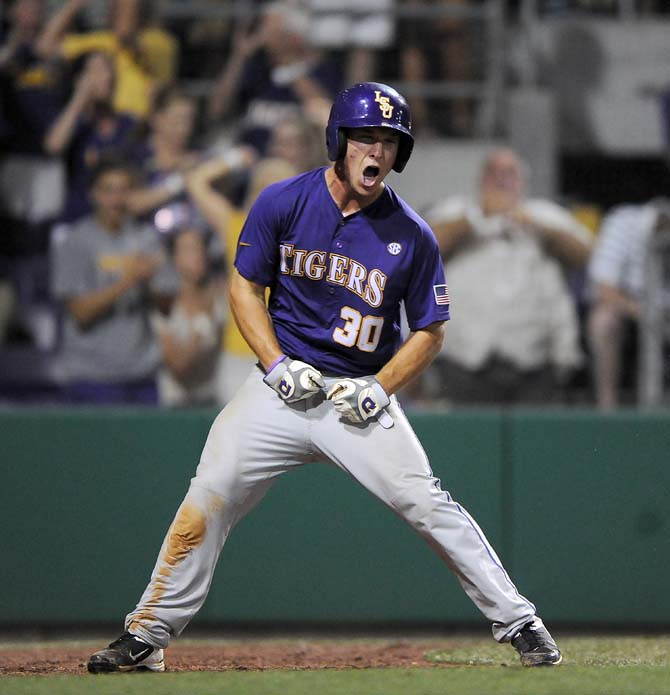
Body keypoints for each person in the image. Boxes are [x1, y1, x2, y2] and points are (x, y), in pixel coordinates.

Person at [86, 82, 562, 673]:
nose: (378, 151)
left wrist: (381, 387)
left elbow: (431, 330)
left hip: (358, 394)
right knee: (209, 492)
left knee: (424, 500)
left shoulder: (411, 232)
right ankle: (147, 634)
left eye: (390, 141)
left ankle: (521, 622)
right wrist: (276, 364)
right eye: (366, 137)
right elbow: (244, 286)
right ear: (339, 139)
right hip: (280, 388)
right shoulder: (283, 200)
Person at [424, 147, 592, 406]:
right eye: (493, 172)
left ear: (523, 181)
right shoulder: (458, 209)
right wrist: (476, 217)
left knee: (532, 438)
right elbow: (423, 246)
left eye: (509, 172)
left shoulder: (542, 213)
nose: (501, 179)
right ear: (480, 179)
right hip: (464, 355)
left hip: (534, 357)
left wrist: (534, 224)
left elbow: (584, 254)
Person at [50, 156, 174, 404]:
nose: (116, 200)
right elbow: (80, 313)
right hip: (92, 376)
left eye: (123, 190)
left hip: (141, 373)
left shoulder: (146, 237)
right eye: (108, 191)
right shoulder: (75, 241)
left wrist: (149, 281)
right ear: (93, 194)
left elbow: (166, 307)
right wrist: (128, 280)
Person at [185, 154, 298, 404]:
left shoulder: (308, 236)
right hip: (240, 351)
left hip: (290, 355)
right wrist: (235, 158)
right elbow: (196, 181)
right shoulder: (237, 225)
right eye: (265, 187)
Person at [206, 0, 340, 157]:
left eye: (269, 29)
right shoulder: (257, 67)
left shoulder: (322, 71)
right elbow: (216, 109)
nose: (263, 35)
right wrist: (239, 56)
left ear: (293, 36)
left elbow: (324, 114)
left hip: (296, 161)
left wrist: (288, 64)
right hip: (247, 158)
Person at [586, 199, 670, 410]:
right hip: (633, 311)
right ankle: (607, 408)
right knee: (603, 321)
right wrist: (644, 313)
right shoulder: (624, 222)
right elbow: (603, 289)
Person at [35, 0, 178, 119]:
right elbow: (44, 48)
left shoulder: (160, 41)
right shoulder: (102, 39)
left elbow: (130, 41)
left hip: (139, 131)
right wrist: (73, 6)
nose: (120, 9)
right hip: (102, 129)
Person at [43, 51, 137, 223]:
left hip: (118, 223)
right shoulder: (75, 123)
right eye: (96, 71)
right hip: (77, 220)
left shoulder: (127, 123)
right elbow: (53, 146)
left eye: (108, 70)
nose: (106, 77)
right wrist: (79, 98)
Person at [153, 226, 226, 408]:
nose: (198, 255)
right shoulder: (165, 304)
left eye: (201, 248)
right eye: (188, 249)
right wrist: (203, 330)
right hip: (176, 404)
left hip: (217, 399)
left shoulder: (222, 298)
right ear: (174, 258)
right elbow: (177, 366)